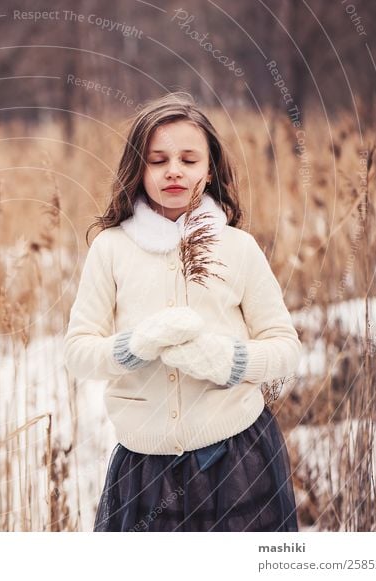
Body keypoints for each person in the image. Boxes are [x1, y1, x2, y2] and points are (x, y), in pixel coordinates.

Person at [63, 92, 302, 532]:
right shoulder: (111, 249)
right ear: (139, 168)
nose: (174, 170)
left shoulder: (238, 248)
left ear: (208, 170)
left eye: (189, 160)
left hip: (238, 461)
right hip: (145, 472)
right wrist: (132, 347)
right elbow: (77, 352)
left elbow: (286, 349)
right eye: (158, 160)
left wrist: (232, 361)